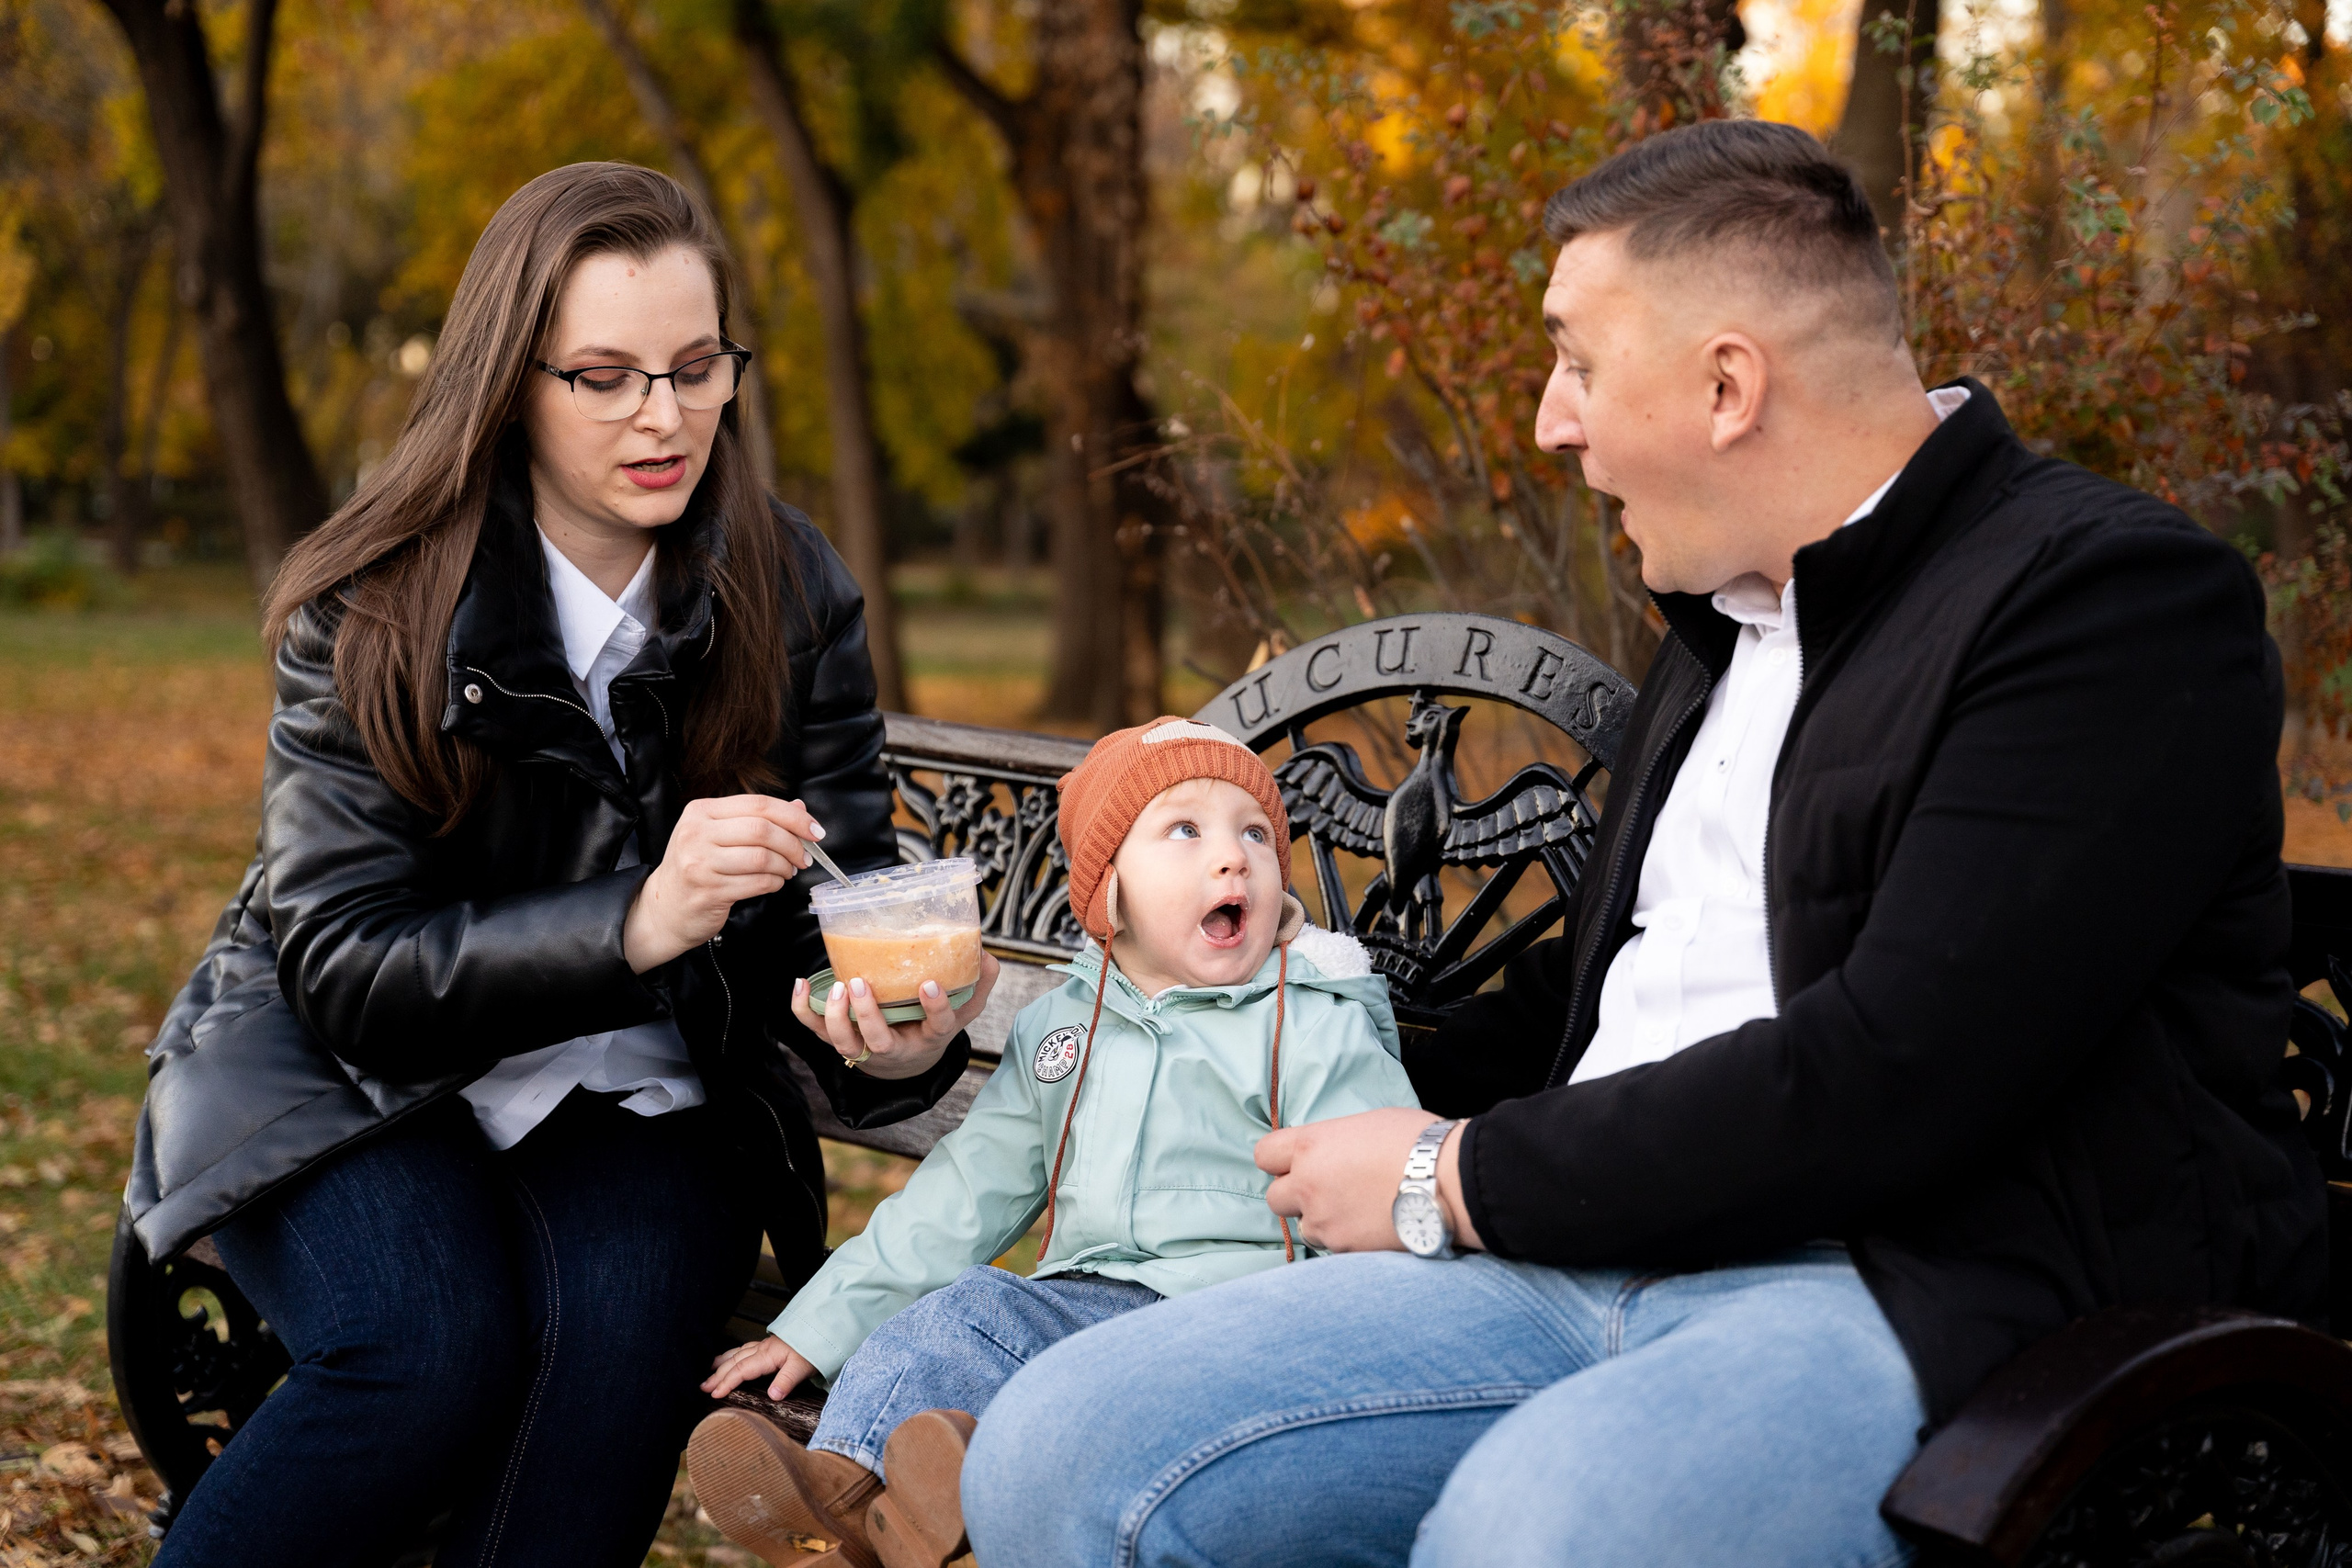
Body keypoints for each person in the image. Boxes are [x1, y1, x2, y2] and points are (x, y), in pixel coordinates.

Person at [955, 120, 2328, 1567]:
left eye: (1577, 362)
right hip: (1570, 1248)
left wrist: (1449, 1177)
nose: (1552, 422)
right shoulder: (1729, 619)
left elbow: (1898, 1069)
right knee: (1060, 1447)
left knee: (1535, 1536)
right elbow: (1601, 991)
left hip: (1914, 1293)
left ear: (1729, 385)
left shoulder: (2105, 604)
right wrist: (1272, 1017)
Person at [124, 162, 998, 1568]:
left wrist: (889, 1035)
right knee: (425, 1342)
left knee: (621, 1338)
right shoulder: (377, 601)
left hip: (640, 1088)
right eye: (605, 377)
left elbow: (835, 911)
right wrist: (640, 916)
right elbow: (347, 970)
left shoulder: (790, 587)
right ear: (511, 385)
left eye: (697, 368)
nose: (665, 415)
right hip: (343, 1078)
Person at [692, 717, 1419, 1568]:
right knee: (960, 1315)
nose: (1233, 857)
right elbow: (963, 1194)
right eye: (1186, 829)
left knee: (1000, 1352)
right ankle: (844, 1500)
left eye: (1256, 833)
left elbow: (1386, 1193)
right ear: (1109, 890)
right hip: (1083, 1324)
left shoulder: (1313, 1022)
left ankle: (884, 1510)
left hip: (1241, 1330)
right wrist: (816, 1327)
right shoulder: (1065, 1027)